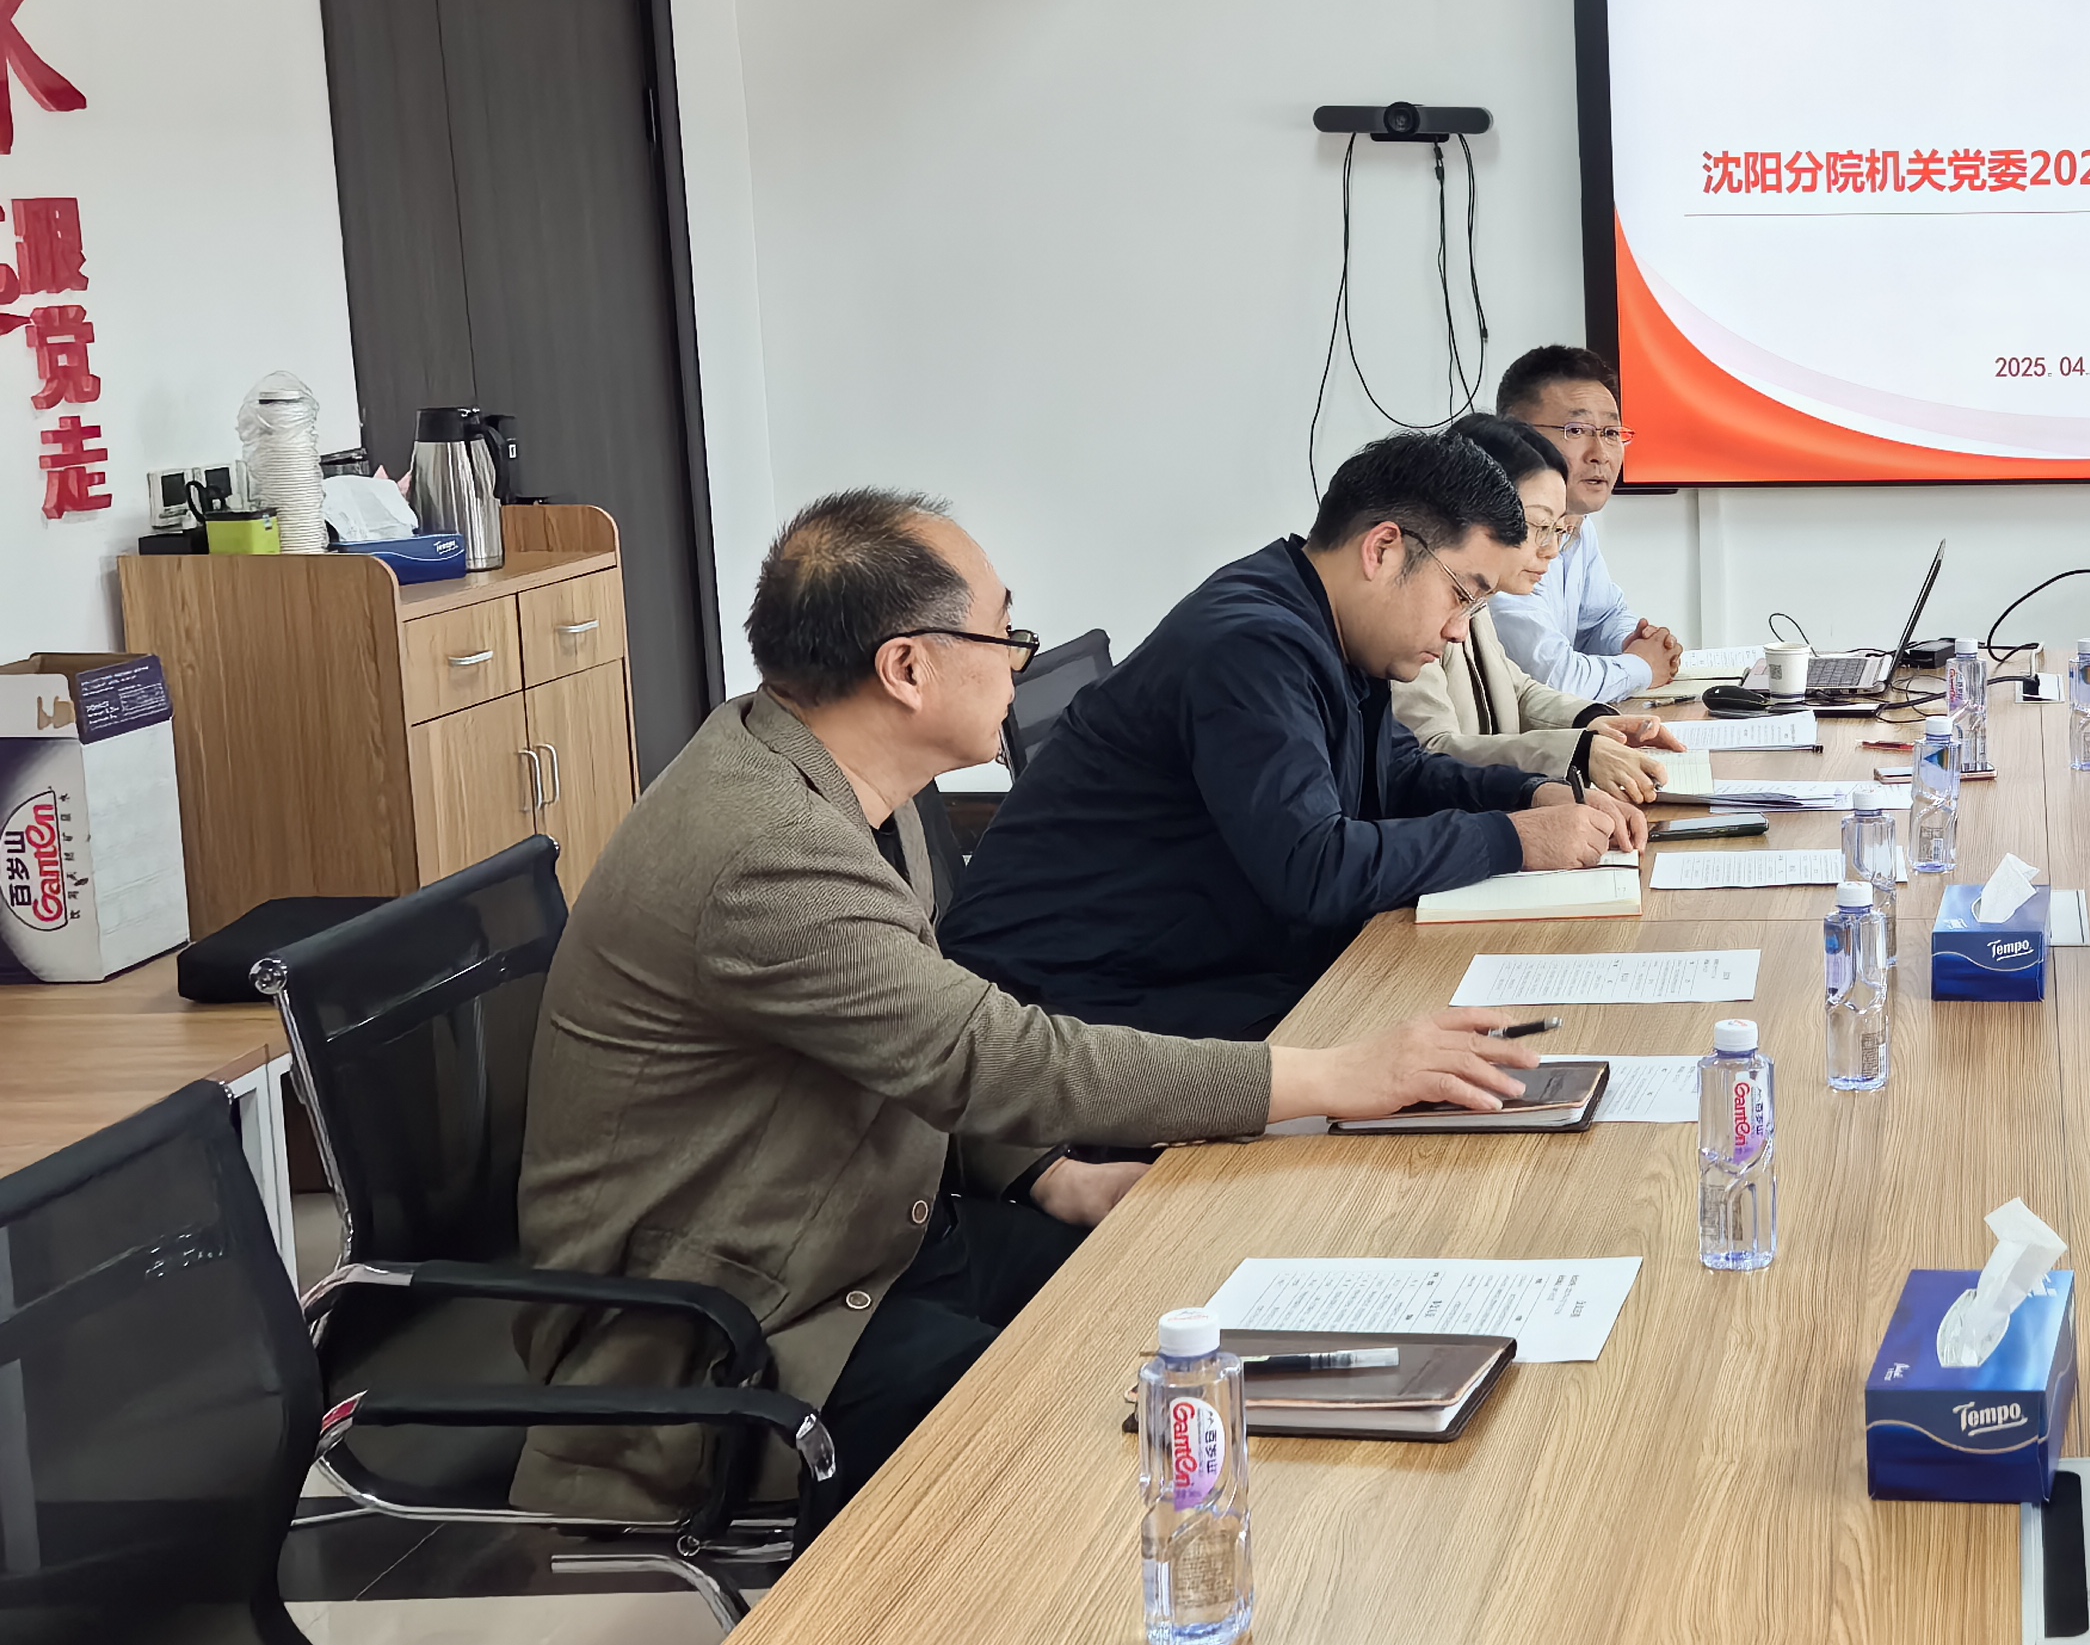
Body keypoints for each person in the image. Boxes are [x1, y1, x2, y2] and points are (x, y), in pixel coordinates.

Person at [511, 489, 1551, 1532]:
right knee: (1099, 1446)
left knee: (1206, 1301)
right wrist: (1331, 1076)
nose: (1018, 661)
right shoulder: (768, 850)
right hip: (750, 1324)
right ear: (906, 668)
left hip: (881, 1235)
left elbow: (905, 1041)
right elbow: (989, 1055)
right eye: (1003, 635)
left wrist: (1050, 1174)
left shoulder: (836, 781)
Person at [945, 431, 1639, 1041]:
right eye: (1462, 594)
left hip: (1186, 969)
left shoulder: (1326, 623)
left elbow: (1400, 774)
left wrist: (1531, 794)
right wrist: (1513, 839)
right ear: (1384, 550)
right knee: (1441, 1061)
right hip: (1063, 1013)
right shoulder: (1252, 644)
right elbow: (1315, 868)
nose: (1460, 629)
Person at [1398, 413, 1678, 799]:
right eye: (1538, 527)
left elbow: (1516, 690)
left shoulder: (1479, 599)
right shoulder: (1413, 606)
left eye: (1558, 530)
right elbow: (1428, 756)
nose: (1550, 551)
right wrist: (1577, 751)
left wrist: (1591, 721)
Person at [1489, 346, 1684, 703]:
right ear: (1516, 435)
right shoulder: (1497, 531)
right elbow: (1555, 680)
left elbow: (1601, 617)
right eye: (1576, 430)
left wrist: (1633, 642)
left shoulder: (1576, 523)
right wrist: (1641, 666)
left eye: (1611, 432)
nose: (1601, 454)